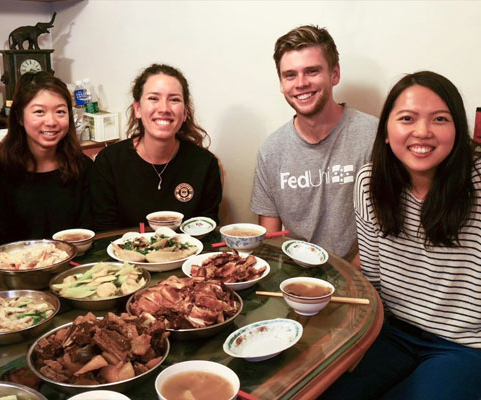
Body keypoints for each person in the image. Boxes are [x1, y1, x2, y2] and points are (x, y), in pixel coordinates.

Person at [322, 71, 481, 399]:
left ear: (457, 129)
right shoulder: (370, 183)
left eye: (440, 119)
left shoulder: (476, 184)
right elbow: (374, 277)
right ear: (386, 131)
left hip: (464, 345)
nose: (422, 132)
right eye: (407, 118)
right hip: (391, 332)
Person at [250, 25, 377, 263]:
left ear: (335, 74)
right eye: (290, 75)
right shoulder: (271, 151)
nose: (300, 83)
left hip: (364, 274)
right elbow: (270, 238)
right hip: (297, 275)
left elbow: (389, 226)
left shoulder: (373, 136)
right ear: (281, 83)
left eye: (312, 71)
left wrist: (352, 278)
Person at [91, 63, 222, 232]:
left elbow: (207, 229)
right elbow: (105, 232)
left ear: (185, 113)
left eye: (174, 99)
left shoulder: (205, 164)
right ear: (137, 109)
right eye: (153, 98)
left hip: (190, 257)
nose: (164, 108)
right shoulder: (109, 161)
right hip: (123, 257)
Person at [0, 72, 92, 244]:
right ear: (19, 117)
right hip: (16, 265)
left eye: (60, 112)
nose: (51, 121)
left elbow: (89, 230)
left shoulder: (83, 167)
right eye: (39, 111)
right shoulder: (0, 170)